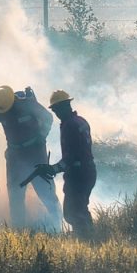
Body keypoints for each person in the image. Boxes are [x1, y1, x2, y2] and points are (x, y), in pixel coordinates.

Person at [0, 85, 62, 230]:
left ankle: (59, 227)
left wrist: (42, 135)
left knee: (45, 191)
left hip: (36, 153)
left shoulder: (27, 104)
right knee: (15, 194)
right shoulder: (0, 108)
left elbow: (48, 117)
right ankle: (19, 230)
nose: (5, 113)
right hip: (14, 156)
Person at [40, 90, 96, 239]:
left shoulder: (69, 126)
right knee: (80, 208)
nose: (56, 113)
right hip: (88, 170)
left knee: (73, 212)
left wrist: (54, 169)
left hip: (78, 174)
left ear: (65, 106)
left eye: (57, 109)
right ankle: (89, 236)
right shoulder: (81, 121)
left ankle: (86, 239)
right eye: (55, 110)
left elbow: (71, 156)